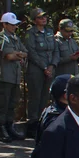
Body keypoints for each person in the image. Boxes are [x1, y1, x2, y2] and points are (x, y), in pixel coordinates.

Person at [23, 8, 57, 138]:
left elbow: (56, 50)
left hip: (49, 68)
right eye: (40, 17)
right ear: (34, 20)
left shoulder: (49, 32)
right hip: (36, 68)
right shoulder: (30, 33)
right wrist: (44, 67)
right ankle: (32, 124)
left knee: (45, 96)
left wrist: (52, 65)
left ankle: (43, 122)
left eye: (45, 16)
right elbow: (31, 51)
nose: (44, 19)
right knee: (35, 96)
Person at [0, 12, 27, 141]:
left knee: (13, 102)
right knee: (3, 102)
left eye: (15, 25)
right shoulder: (2, 38)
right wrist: (18, 55)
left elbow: (25, 52)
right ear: (5, 24)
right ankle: (1, 127)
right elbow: (8, 56)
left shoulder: (15, 37)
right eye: (12, 25)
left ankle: (9, 125)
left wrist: (18, 54)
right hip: (5, 75)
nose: (14, 27)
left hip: (15, 76)